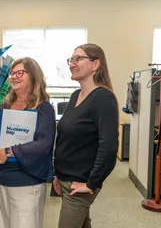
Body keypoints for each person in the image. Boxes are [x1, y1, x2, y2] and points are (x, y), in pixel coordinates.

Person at [0, 57, 56, 228]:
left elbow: (43, 145)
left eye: (20, 73)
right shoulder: (6, 105)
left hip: (26, 183)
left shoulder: (43, 109)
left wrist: (8, 151)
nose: (14, 77)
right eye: (12, 73)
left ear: (34, 76)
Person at [53, 43, 119, 228]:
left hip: (80, 184)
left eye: (78, 59)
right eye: (71, 60)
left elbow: (108, 148)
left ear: (95, 64)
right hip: (66, 178)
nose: (72, 64)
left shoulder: (103, 98)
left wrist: (91, 184)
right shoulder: (76, 95)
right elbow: (66, 138)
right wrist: (58, 173)